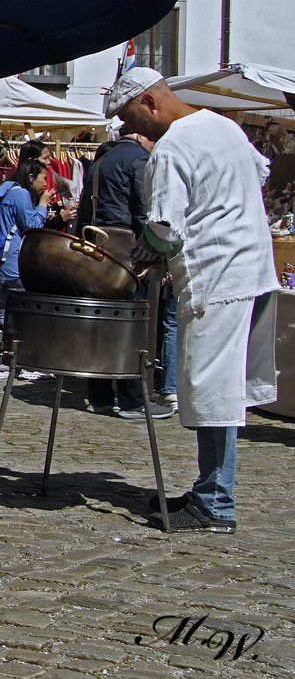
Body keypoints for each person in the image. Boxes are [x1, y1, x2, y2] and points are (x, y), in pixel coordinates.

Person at [107, 67, 279, 533]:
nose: (130, 129)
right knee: (220, 388)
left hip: (219, 277)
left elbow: (166, 228)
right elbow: (255, 178)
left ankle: (215, 503)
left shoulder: (173, 147)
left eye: (129, 117)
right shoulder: (225, 126)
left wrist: (137, 258)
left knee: (212, 390)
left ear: (150, 102)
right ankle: (211, 487)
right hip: (253, 269)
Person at [76, 130, 174, 419]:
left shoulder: (100, 162)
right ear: (141, 135)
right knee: (132, 326)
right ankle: (132, 399)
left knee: (100, 323)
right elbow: (146, 212)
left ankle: (100, 395)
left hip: (96, 248)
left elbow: (84, 212)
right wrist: (153, 253)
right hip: (127, 251)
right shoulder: (140, 160)